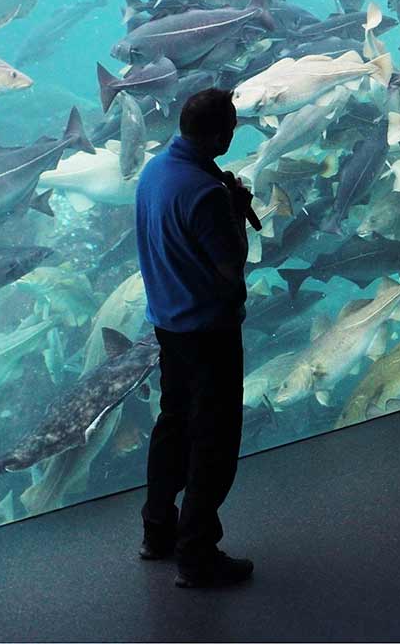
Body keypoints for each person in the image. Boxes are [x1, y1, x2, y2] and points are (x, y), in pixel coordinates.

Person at [134, 88, 256, 588]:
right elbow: (231, 268)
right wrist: (236, 211)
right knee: (214, 441)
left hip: (168, 323)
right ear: (216, 133)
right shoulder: (205, 193)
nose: (231, 137)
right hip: (207, 330)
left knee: (174, 427)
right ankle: (197, 553)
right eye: (229, 129)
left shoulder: (155, 172)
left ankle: (156, 531)